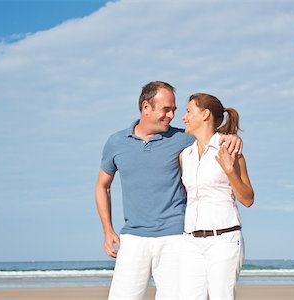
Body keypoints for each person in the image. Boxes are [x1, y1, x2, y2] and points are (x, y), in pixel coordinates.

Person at [95, 81, 242, 300]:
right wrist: (108, 230)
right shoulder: (116, 143)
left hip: (176, 238)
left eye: (174, 109)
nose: (172, 115)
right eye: (166, 109)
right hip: (133, 238)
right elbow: (102, 186)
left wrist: (231, 136)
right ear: (146, 107)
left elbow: (209, 134)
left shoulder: (183, 138)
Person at [178, 93, 254, 300]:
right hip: (191, 242)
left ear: (205, 114)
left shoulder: (229, 149)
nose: (184, 117)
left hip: (224, 240)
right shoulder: (186, 156)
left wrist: (230, 171)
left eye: (188, 111)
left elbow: (247, 199)